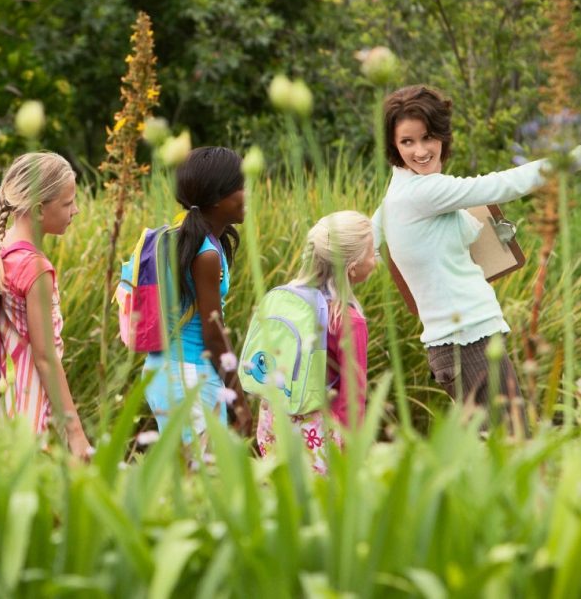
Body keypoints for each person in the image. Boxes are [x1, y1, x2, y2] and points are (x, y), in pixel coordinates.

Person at [372, 84, 580, 430]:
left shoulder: (402, 190)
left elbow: (369, 240)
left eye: (427, 137)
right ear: (394, 145)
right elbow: (503, 184)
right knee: (514, 449)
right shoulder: (421, 192)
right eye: (407, 142)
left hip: (467, 340)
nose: (420, 151)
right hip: (466, 342)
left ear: (441, 135)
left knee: (505, 452)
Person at [0, 151, 91, 458]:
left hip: (3, 401)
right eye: (68, 203)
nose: (77, 210)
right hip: (32, 406)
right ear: (40, 209)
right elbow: (45, 359)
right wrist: (75, 433)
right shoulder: (35, 268)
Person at [143, 146, 253, 444]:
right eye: (241, 186)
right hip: (188, 374)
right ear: (218, 199)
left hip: (162, 370)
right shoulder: (205, 254)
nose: (248, 193)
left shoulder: (181, 238)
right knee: (205, 480)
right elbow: (213, 334)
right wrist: (240, 402)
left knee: (187, 478)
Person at [256, 211, 375, 474]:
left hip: (274, 422)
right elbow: (351, 398)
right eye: (371, 252)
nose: (375, 259)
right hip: (318, 435)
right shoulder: (348, 321)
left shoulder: (287, 301)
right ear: (352, 268)